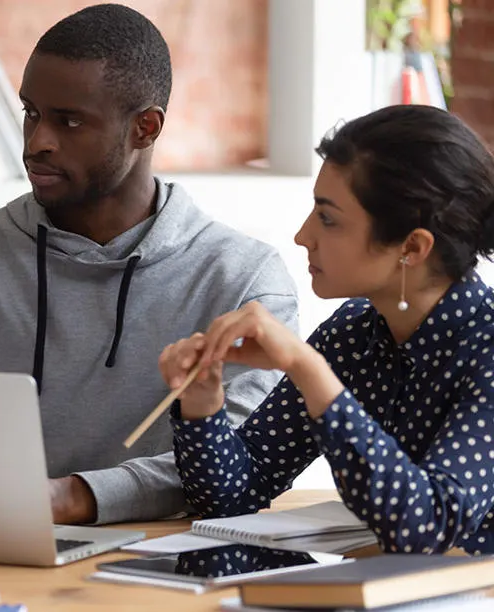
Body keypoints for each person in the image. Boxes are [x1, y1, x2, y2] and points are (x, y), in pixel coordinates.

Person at [0, 3, 299, 525]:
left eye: (70, 121)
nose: (37, 143)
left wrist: (71, 497)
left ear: (145, 128)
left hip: (164, 573)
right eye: (31, 113)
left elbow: (238, 464)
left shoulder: (244, 283)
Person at [160, 104, 494, 554]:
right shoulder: (352, 336)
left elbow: (426, 527)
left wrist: (307, 369)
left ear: (412, 247)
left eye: (329, 218)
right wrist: (203, 405)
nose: (303, 235)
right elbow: (233, 494)